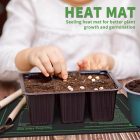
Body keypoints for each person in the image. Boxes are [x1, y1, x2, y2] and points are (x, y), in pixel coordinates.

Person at [0, 0, 140, 82]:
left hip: (98, 97)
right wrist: (28, 55)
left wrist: (110, 62)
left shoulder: (120, 3)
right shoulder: (29, 2)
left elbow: (134, 63)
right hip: (37, 99)